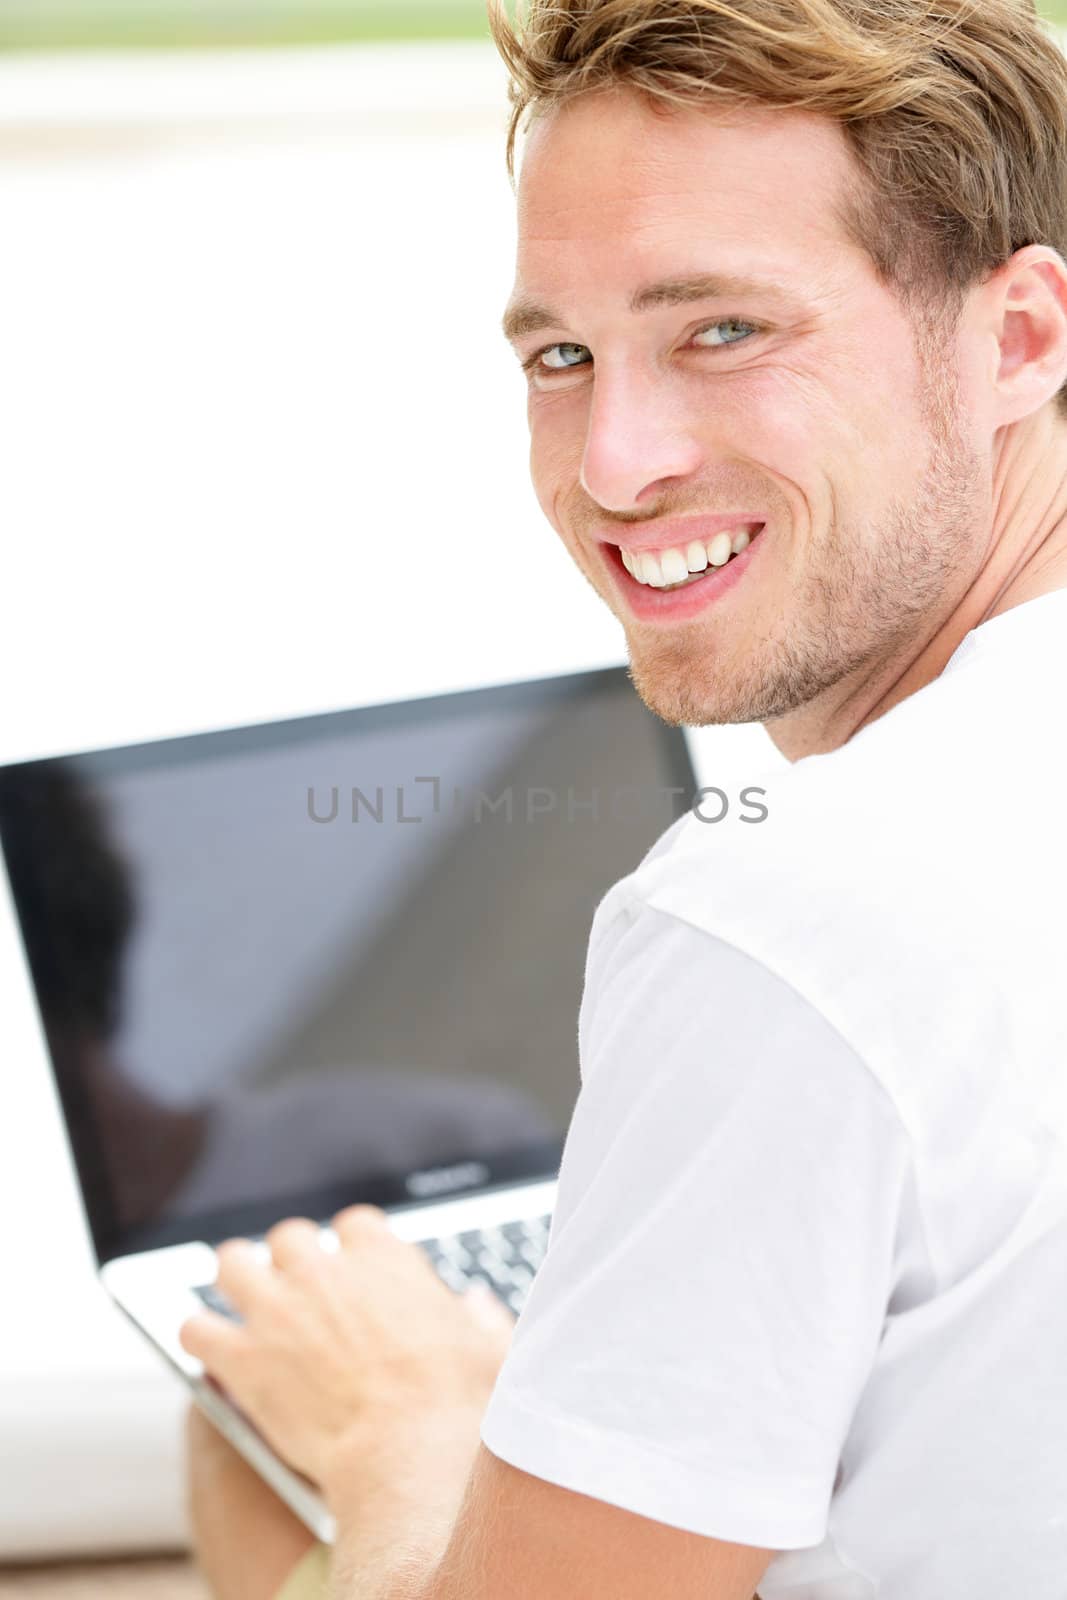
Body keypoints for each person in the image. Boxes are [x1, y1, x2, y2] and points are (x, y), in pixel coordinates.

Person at [177, 0, 1067, 1594]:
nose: (614, 463)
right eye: (562, 357)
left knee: (258, 1434)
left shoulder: (781, 924)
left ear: (1018, 339)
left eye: (724, 331)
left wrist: (399, 1425)